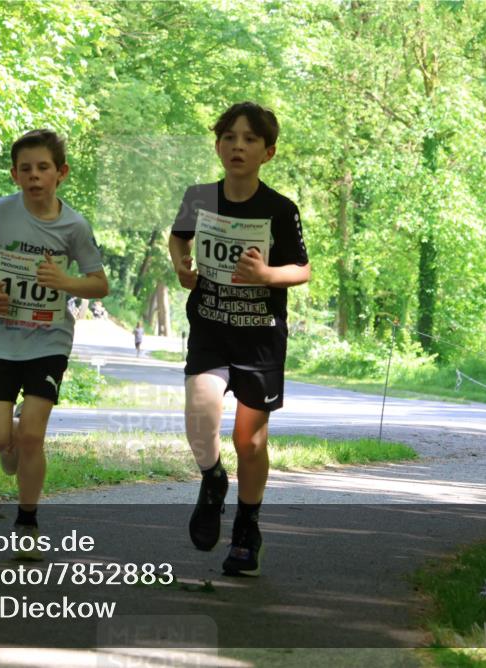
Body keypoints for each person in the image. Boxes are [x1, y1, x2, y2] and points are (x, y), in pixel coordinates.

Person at [169, 102, 310, 576]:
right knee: (200, 410)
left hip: (260, 341)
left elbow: (302, 270)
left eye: (249, 139)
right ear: (217, 145)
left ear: (267, 152)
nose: (238, 146)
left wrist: (265, 273)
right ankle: (212, 480)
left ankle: (248, 527)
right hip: (210, 328)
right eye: (229, 137)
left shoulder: (280, 209)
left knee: (248, 441)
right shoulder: (199, 197)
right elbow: (178, 238)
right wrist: (180, 264)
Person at [0, 129, 108, 555]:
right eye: (26, 169)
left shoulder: (74, 225)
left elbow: (99, 284)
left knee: (35, 435)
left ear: (61, 173)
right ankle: (10, 438)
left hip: (49, 340)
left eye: (43, 168)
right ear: (14, 175)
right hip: (2, 338)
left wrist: (65, 281)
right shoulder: (0, 213)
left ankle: (27, 523)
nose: (35, 176)